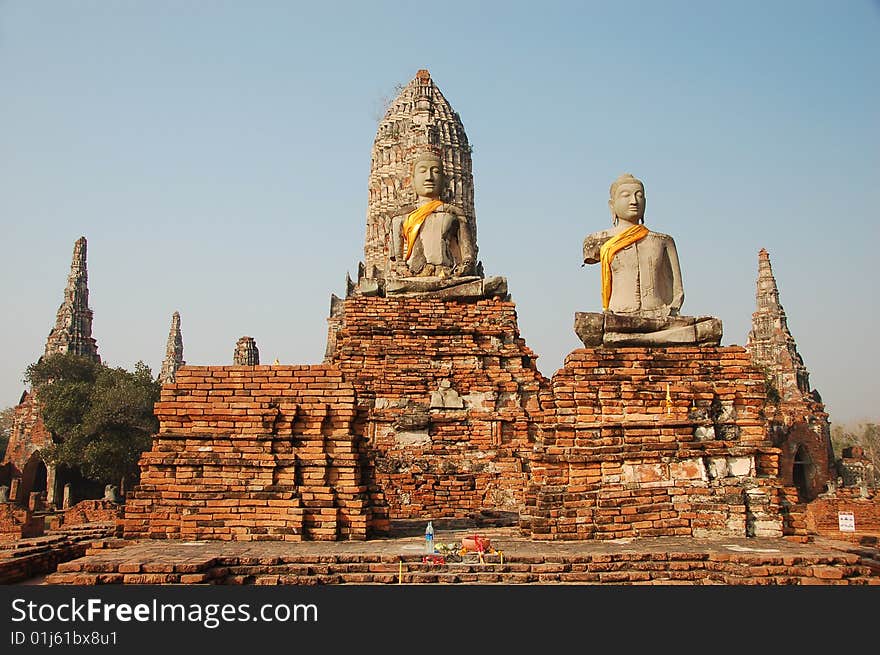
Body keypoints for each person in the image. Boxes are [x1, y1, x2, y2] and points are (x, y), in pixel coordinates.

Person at [582, 173, 684, 318]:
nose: (634, 201)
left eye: (639, 196)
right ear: (612, 206)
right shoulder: (598, 240)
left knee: (705, 327)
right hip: (619, 315)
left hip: (659, 314)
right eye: (626, 195)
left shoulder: (663, 241)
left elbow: (677, 290)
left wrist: (670, 313)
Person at [390, 150, 475, 278]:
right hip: (414, 276)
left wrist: (464, 268)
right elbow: (398, 262)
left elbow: (467, 257)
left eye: (435, 171)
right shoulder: (401, 216)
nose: (429, 177)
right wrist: (403, 270)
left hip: (446, 276)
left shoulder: (455, 214)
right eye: (423, 171)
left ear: (444, 180)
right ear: (412, 181)